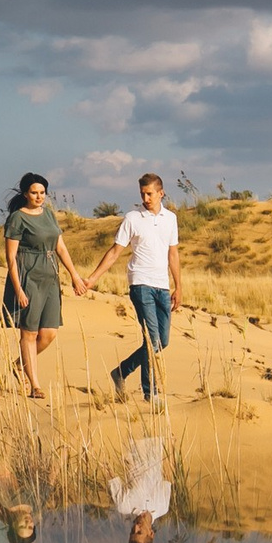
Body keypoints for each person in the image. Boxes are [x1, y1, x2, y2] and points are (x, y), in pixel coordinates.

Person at [88, 171, 180, 399]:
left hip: (162, 286)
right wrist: (93, 278)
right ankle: (151, 393)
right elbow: (115, 252)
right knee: (151, 339)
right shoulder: (132, 218)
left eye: (149, 194)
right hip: (140, 283)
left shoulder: (170, 218)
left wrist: (178, 286)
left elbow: (173, 254)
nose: (145, 198)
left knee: (162, 341)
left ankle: (121, 371)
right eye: (142, 194)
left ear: (161, 193)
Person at [1, 172, 89, 399]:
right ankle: (35, 386)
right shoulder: (17, 218)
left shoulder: (49, 214)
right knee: (29, 333)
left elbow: (61, 247)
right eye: (34, 193)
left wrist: (75, 276)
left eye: (42, 192)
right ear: (25, 194)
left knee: (49, 333)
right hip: (28, 276)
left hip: (50, 277)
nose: (39, 197)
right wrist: (18, 289)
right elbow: (10, 258)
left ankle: (19, 365)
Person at [110, 434, 171, 543]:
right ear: (151, 533)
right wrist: (169, 445)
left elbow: (109, 471)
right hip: (157, 437)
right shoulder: (163, 507)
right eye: (139, 532)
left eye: (132, 532)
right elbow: (169, 474)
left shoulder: (124, 506)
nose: (135, 527)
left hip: (132, 436)